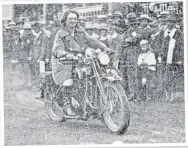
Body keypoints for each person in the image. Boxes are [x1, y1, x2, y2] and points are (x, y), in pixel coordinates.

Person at [52, 10, 111, 116]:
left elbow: (91, 40)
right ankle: (67, 105)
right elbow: (57, 50)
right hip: (63, 62)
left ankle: (92, 104)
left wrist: (104, 47)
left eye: (75, 19)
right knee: (68, 80)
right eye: (70, 19)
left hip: (79, 59)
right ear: (65, 20)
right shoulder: (60, 34)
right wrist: (66, 54)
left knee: (91, 76)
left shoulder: (80, 31)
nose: (73, 21)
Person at [160, 15, 184, 102]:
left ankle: (172, 97)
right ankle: (167, 96)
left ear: (174, 24)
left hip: (174, 59)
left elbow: (181, 47)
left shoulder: (178, 33)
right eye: (168, 22)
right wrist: (160, 54)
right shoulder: (163, 32)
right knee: (165, 78)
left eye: (172, 22)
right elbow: (159, 45)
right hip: (164, 59)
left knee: (173, 78)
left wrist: (179, 58)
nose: (169, 24)